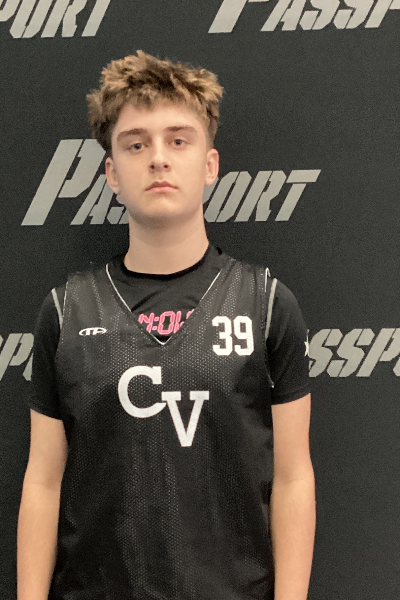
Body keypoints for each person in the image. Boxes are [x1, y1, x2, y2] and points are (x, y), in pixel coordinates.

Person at [17, 50, 316, 600]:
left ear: (210, 164)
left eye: (178, 140)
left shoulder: (267, 303)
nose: (158, 158)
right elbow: (42, 480)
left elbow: (293, 477)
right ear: (111, 173)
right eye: (136, 144)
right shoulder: (65, 310)